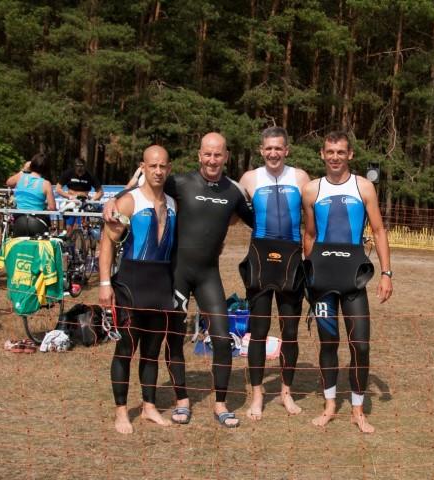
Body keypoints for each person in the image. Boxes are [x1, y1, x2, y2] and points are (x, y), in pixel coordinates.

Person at [104, 132, 253, 428]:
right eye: (207, 154)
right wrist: (115, 197)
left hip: (208, 275)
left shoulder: (234, 192)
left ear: (226, 156)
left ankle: (221, 405)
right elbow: (147, 185)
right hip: (176, 275)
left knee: (222, 338)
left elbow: (258, 224)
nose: (212, 160)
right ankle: (181, 401)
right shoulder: (179, 183)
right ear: (199, 155)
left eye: (218, 154)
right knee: (173, 339)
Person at [301, 130, 393, 434]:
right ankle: (329, 406)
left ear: (350, 154)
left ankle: (357, 410)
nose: (335, 157)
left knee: (360, 345)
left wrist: (386, 273)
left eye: (341, 152)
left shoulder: (363, 187)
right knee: (328, 343)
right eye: (330, 152)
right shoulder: (311, 190)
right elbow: (310, 235)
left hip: (354, 278)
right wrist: (308, 274)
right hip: (322, 280)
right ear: (322, 154)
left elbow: (378, 231)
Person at [99, 145, 176, 434]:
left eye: (163, 166)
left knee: (152, 351)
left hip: (161, 284)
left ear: (169, 169)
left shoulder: (173, 203)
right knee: (125, 349)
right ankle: (121, 411)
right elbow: (107, 241)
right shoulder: (129, 202)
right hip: (130, 284)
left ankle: (149, 406)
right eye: (152, 166)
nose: (158, 171)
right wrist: (105, 284)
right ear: (142, 167)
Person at [238, 126, 310, 420]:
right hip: (260, 258)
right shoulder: (249, 178)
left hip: (291, 259)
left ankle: (286, 393)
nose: (273, 153)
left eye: (278, 148)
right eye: (268, 148)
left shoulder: (301, 178)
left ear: (286, 150)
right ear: (261, 150)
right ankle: (257, 395)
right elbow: (228, 211)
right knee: (258, 331)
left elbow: (315, 218)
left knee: (290, 332)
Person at [6, 153, 56, 236]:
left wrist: (23, 170)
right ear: (46, 169)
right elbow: (52, 208)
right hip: (38, 222)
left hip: (19, 221)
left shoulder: (20, 176)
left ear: (31, 165)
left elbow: (8, 182)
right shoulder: (46, 184)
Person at [56, 158, 104, 234]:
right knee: (69, 227)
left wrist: (92, 200)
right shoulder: (68, 173)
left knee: (82, 226)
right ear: (75, 167)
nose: (80, 170)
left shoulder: (90, 175)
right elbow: (58, 189)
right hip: (71, 202)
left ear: (85, 167)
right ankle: (69, 239)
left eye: (82, 168)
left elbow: (100, 192)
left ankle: (84, 238)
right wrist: (69, 196)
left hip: (84, 203)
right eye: (78, 168)